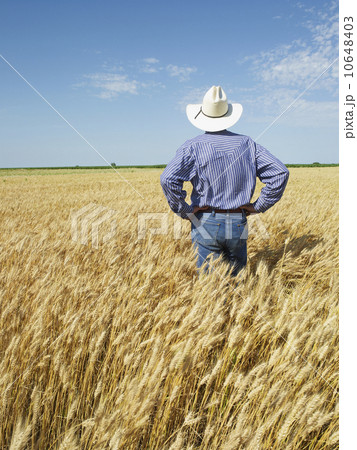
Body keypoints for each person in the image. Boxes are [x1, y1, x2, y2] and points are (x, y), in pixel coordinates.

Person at [160, 86, 289, 277]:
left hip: (206, 221)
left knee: (209, 286)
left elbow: (168, 179)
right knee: (237, 279)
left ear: (202, 115)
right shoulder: (247, 144)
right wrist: (258, 206)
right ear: (227, 115)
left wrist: (186, 210)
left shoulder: (193, 146)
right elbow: (280, 172)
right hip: (238, 221)